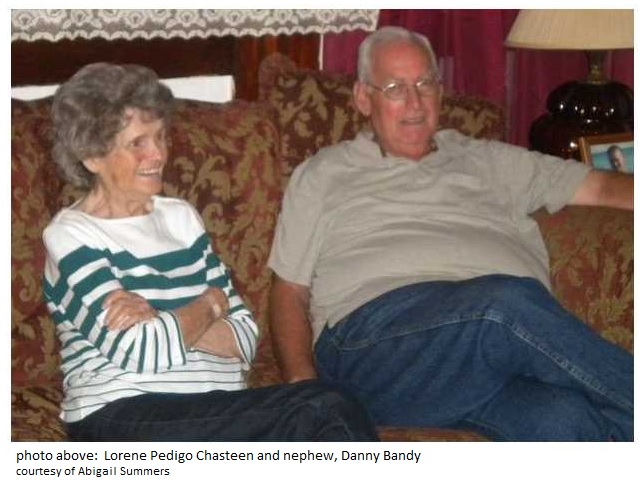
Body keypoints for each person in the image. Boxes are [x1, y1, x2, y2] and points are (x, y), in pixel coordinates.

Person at [268, 26, 634, 441]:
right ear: (364, 98)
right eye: (395, 88)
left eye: (425, 84)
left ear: (441, 92)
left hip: (485, 365)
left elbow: (601, 187)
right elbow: (289, 289)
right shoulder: (324, 173)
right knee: (502, 306)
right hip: (377, 349)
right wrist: (305, 391)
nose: (415, 103)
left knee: (566, 419)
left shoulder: (489, 160)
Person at [42, 62, 378, 442]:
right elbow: (142, 349)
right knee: (323, 408)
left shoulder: (181, 218)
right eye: (138, 143)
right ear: (91, 156)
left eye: (161, 137)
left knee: (330, 414)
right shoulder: (70, 235)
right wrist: (211, 305)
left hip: (214, 411)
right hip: (123, 414)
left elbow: (245, 338)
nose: (158, 155)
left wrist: (158, 315)